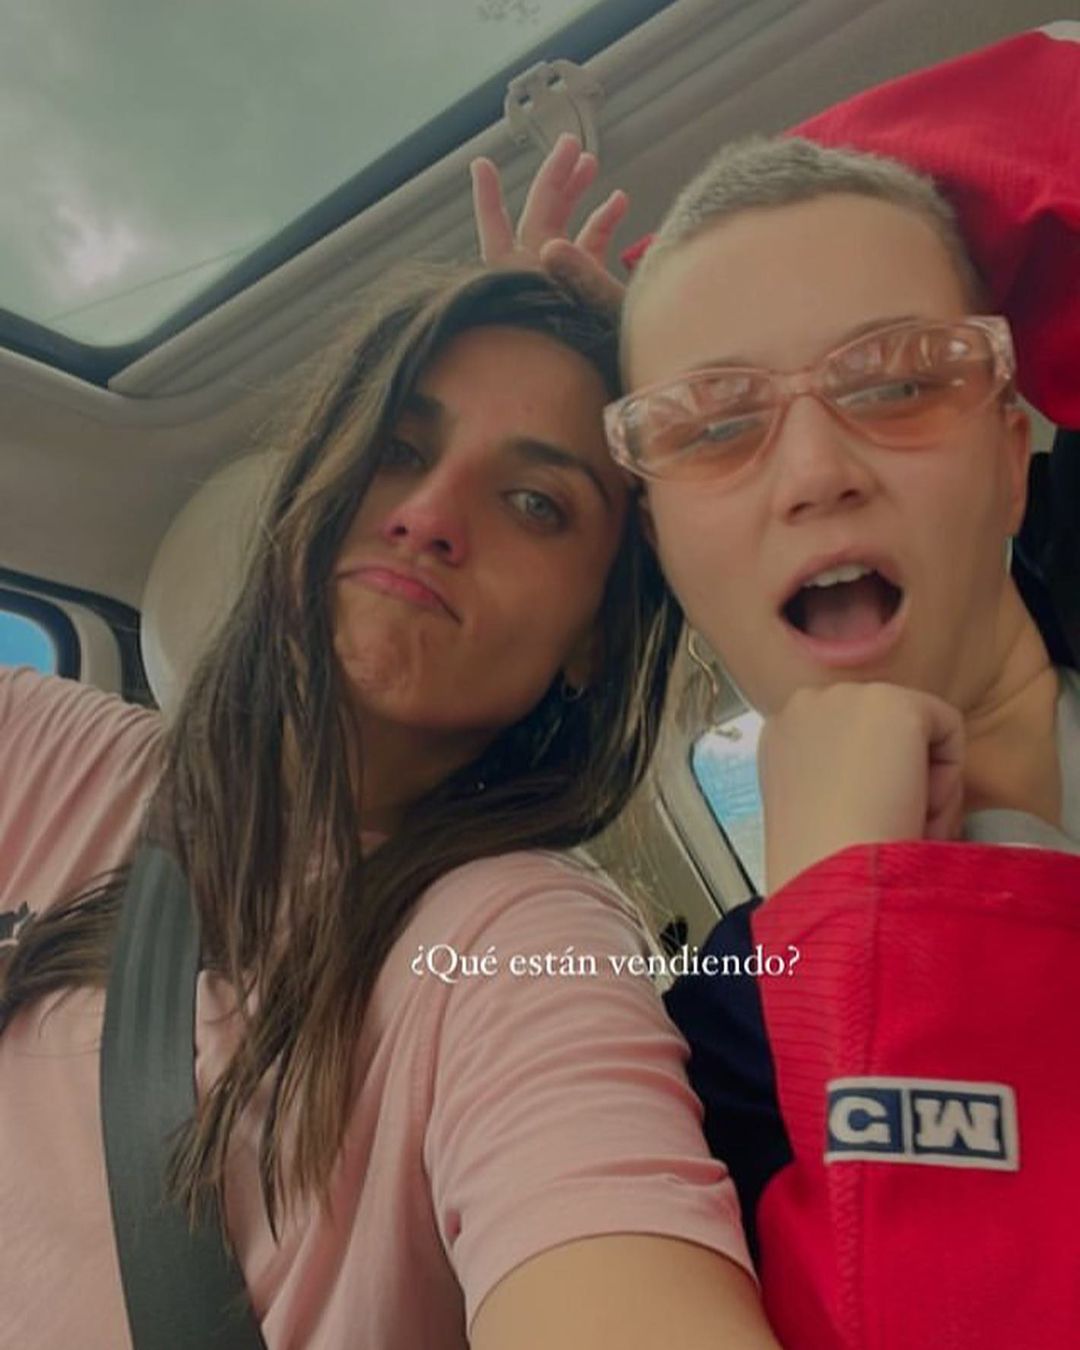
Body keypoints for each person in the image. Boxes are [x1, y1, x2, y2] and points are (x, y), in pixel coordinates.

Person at [0, 264, 785, 1349]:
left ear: (596, 637)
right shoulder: (41, 753)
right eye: (399, 448)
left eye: (535, 503)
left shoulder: (517, 945)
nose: (429, 517)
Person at [472, 23, 1080, 1349]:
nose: (814, 473)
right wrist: (863, 925)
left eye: (900, 382)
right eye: (715, 427)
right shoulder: (720, 1052)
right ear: (658, 543)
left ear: (1014, 454)